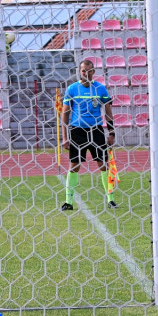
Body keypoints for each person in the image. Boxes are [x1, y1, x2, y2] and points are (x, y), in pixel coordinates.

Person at [60, 58, 117, 211]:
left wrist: (111, 132)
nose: (85, 73)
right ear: (80, 71)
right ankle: (68, 202)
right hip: (77, 131)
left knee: (103, 165)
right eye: (83, 70)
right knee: (74, 165)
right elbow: (65, 114)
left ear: (93, 72)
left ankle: (110, 199)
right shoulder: (72, 89)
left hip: (96, 130)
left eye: (88, 70)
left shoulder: (100, 89)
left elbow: (108, 112)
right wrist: (65, 137)